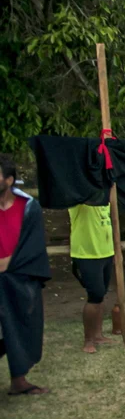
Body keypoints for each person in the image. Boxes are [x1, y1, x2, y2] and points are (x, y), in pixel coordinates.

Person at [0, 155, 50, 395]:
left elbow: (33, 245)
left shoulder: (28, 206)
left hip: (20, 278)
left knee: (20, 325)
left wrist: (9, 264)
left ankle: (18, 380)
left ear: (8, 180)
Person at [69, 200, 119, 353]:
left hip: (106, 252)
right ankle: (88, 340)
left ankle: (98, 335)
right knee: (95, 295)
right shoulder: (79, 200)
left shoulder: (105, 200)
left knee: (101, 294)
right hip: (86, 254)